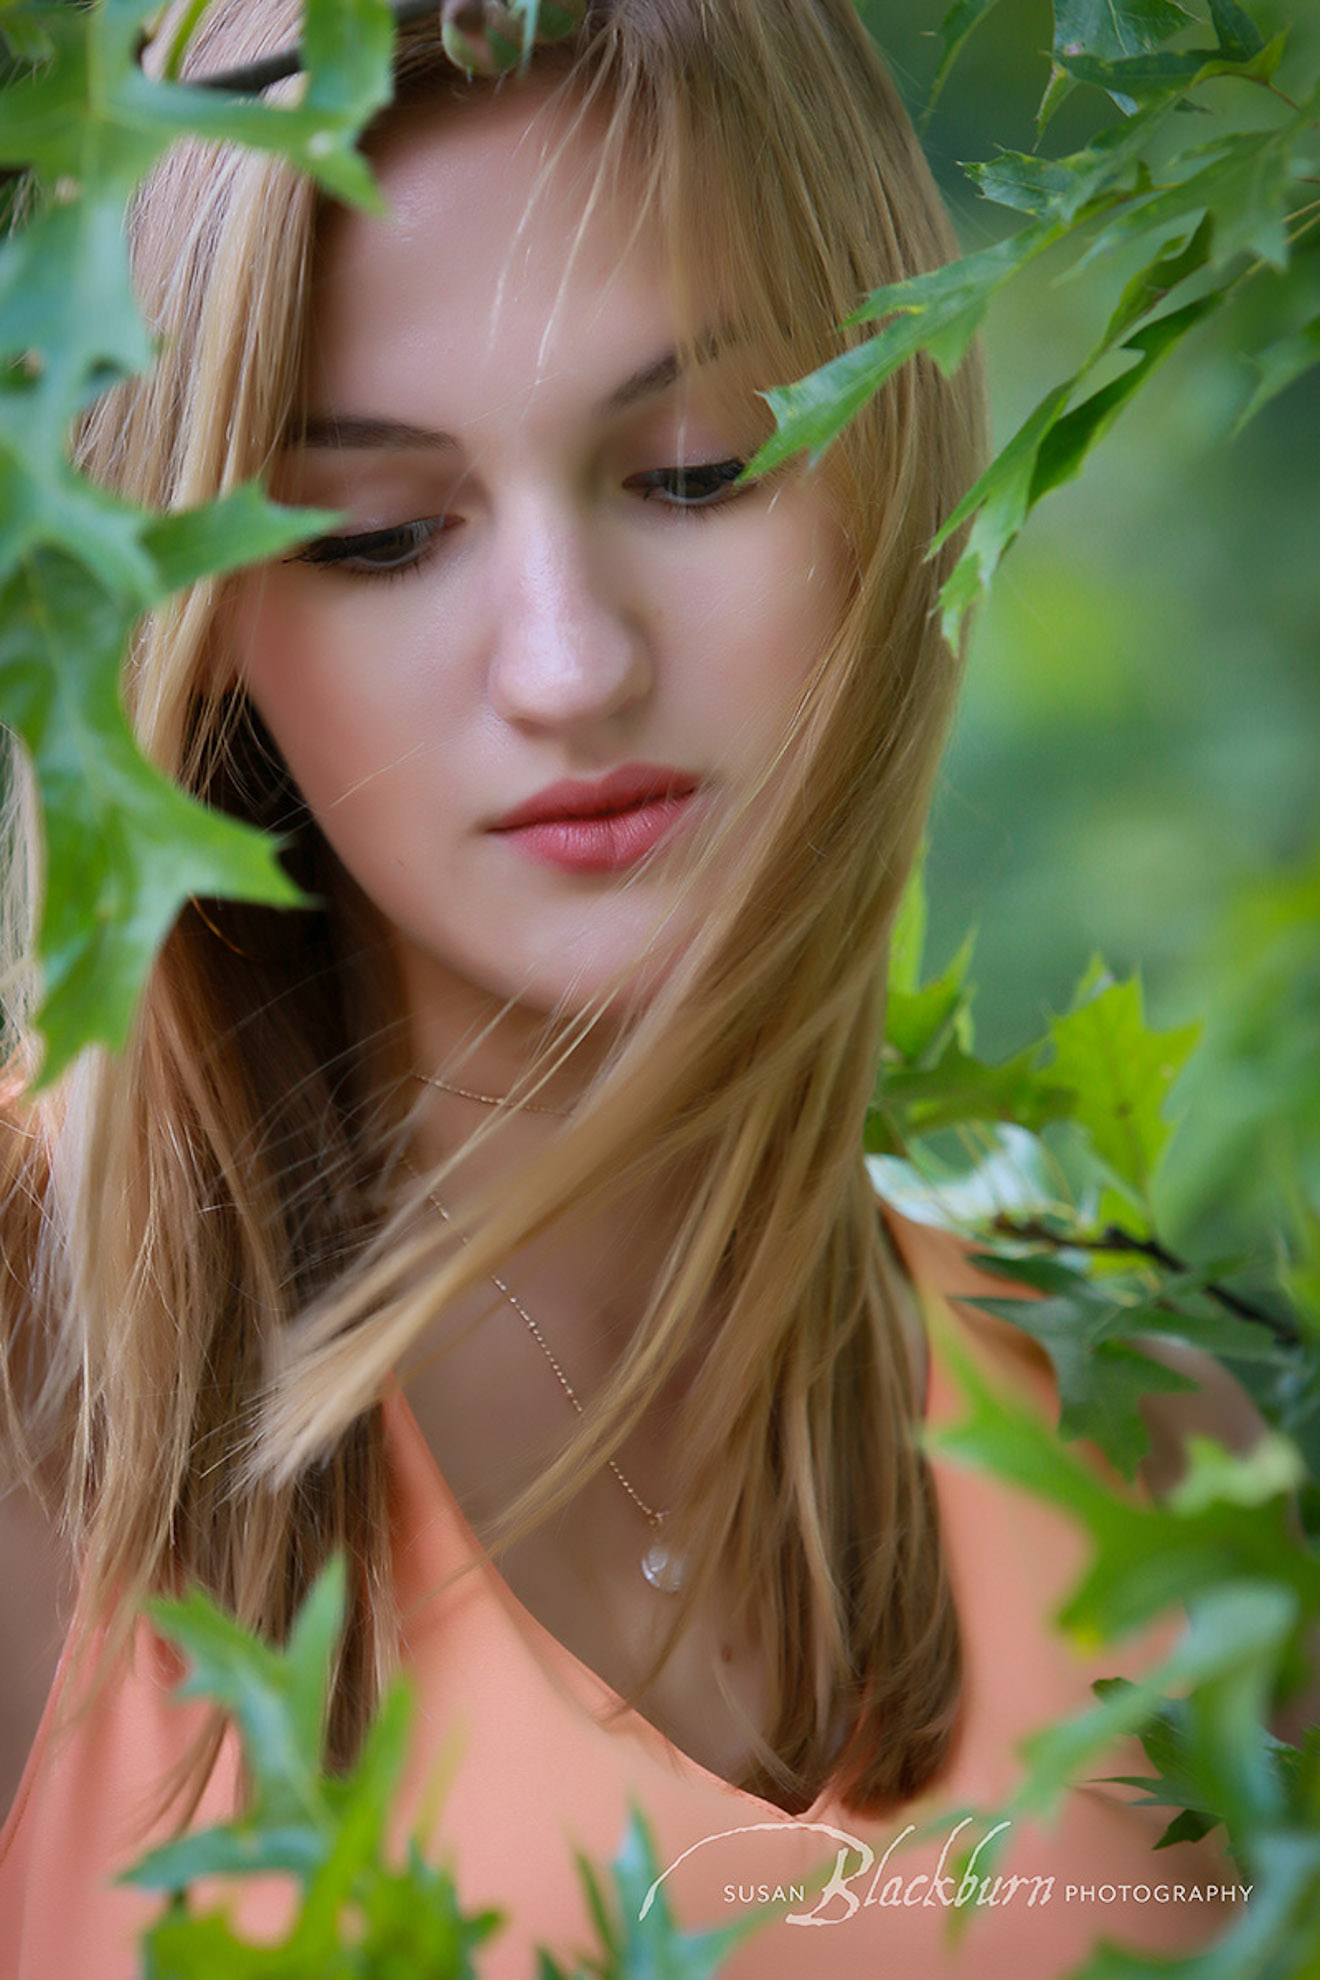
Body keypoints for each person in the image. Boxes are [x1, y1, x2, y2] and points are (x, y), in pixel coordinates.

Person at [0, 2, 1260, 1974]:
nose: (571, 665)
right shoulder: (32, 1401)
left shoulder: (1179, 1474)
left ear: (896, 463)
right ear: (206, 613)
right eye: (383, 533)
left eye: (693, 471)